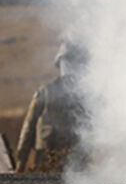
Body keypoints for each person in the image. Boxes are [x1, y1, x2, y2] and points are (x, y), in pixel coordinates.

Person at [14, 41, 87, 173]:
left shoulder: (80, 97)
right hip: (48, 161)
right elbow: (28, 130)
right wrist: (20, 163)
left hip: (71, 163)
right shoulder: (46, 93)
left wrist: (21, 163)